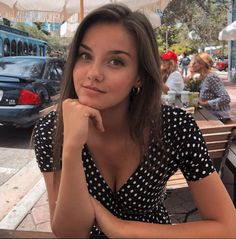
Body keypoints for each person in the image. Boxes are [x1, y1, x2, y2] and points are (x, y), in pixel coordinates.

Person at [33, 3, 236, 238]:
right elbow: (70, 233)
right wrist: (71, 148)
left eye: (115, 61)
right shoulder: (51, 130)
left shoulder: (173, 126)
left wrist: (119, 228)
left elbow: (228, 227)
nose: (93, 73)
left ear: (139, 75)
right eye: (85, 55)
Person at [191, 52, 231, 122]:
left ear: (202, 64)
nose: (192, 65)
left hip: (219, 117)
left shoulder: (211, 77)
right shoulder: (201, 78)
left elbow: (225, 98)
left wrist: (205, 103)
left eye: (195, 63)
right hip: (207, 115)